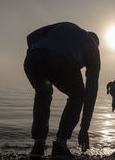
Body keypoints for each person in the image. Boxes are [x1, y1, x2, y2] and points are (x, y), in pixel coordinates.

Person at [23, 22, 100, 159]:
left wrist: (42, 51)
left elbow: (31, 36)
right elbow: (91, 90)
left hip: (33, 59)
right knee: (78, 96)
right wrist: (84, 128)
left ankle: (38, 144)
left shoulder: (67, 26)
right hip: (61, 61)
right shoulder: (93, 47)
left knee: (43, 93)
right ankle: (60, 144)